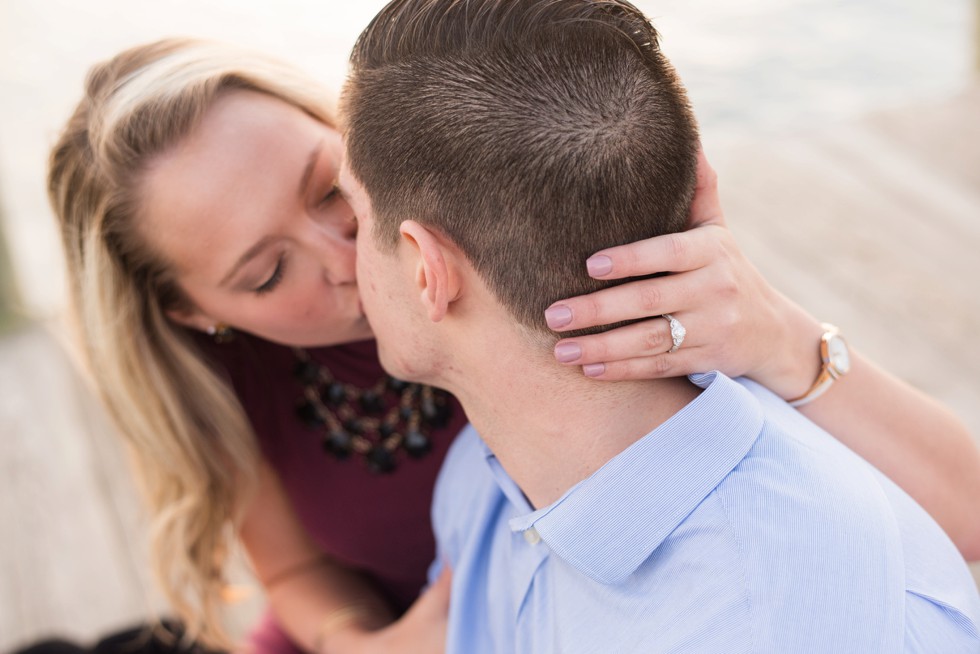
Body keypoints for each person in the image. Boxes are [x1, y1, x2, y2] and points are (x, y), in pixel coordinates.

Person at [46, 30, 979, 654]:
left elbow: (960, 519)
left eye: (332, 190)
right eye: (264, 274)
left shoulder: (547, 251)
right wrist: (360, 640)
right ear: (193, 312)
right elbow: (289, 567)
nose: (339, 257)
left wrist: (779, 335)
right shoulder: (222, 382)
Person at [339, 0, 980, 651]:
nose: (343, 259)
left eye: (354, 216)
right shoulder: (483, 484)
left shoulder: (808, 624)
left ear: (426, 269)